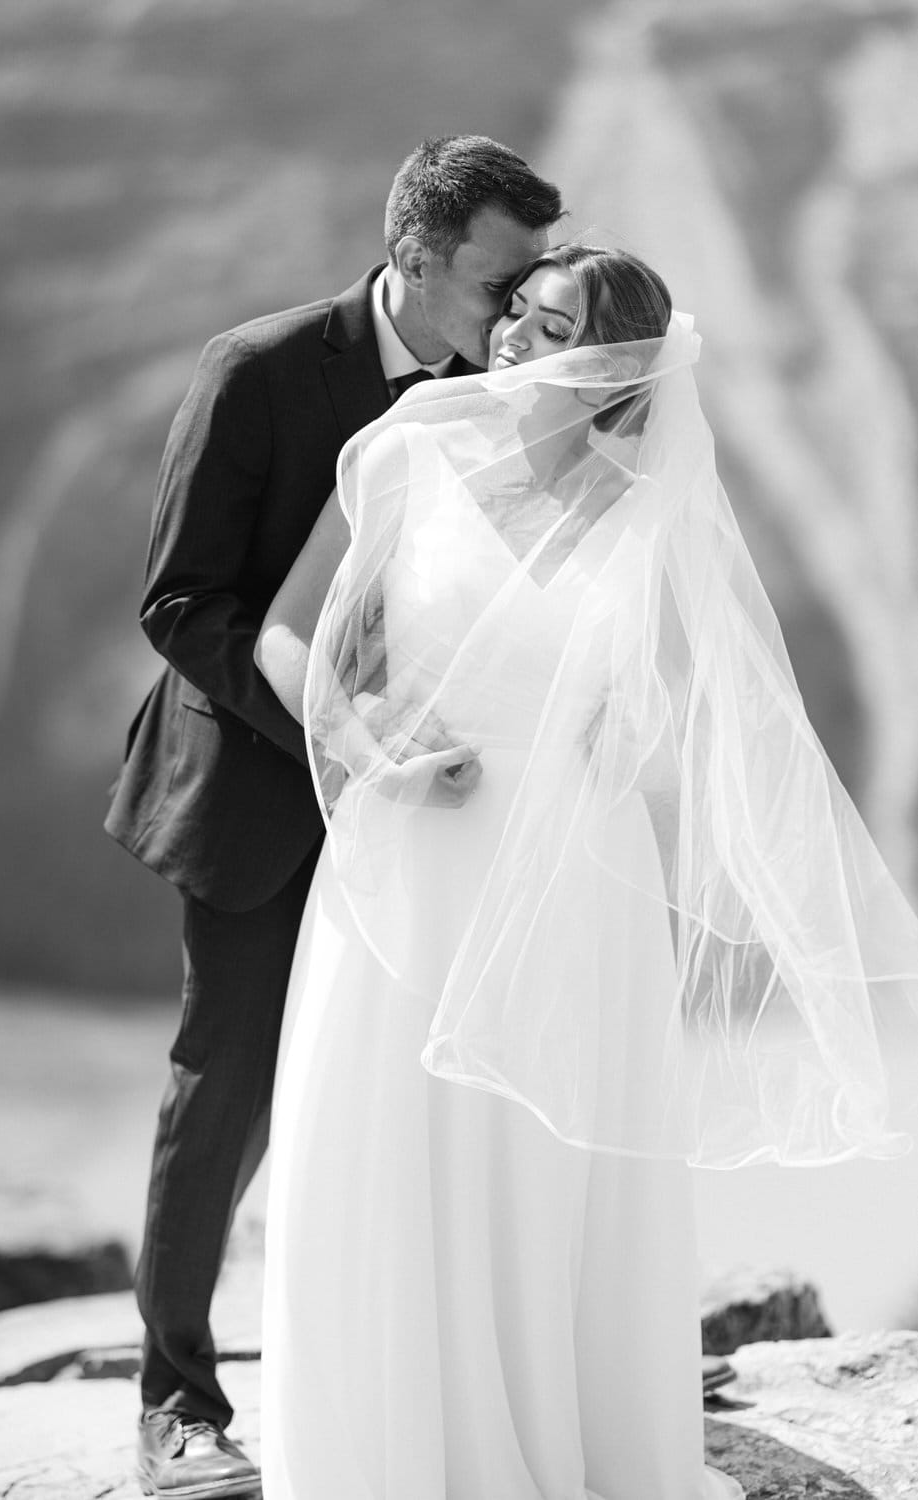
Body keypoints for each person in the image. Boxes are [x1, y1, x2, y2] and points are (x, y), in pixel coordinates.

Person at [254, 242, 918, 1499]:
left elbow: (697, 710)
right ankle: (385, 1449)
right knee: (387, 1153)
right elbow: (292, 633)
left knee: (543, 1178)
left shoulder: (647, 505)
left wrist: (627, 739)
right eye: (514, 308)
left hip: (576, 876)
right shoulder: (405, 450)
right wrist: (363, 747)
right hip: (412, 860)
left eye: (546, 326)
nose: (506, 336)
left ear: (609, 369)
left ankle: (551, 1436)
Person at [104, 136, 563, 1498]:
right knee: (227, 1096)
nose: (523, 301)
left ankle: (459, 1381)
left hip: (441, 819)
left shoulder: (506, 379)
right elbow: (180, 604)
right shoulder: (255, 371)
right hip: (257, 794)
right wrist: (340, 744)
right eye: (500, 277)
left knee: (422, 1103)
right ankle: (172, 1406)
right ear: (413, 258)